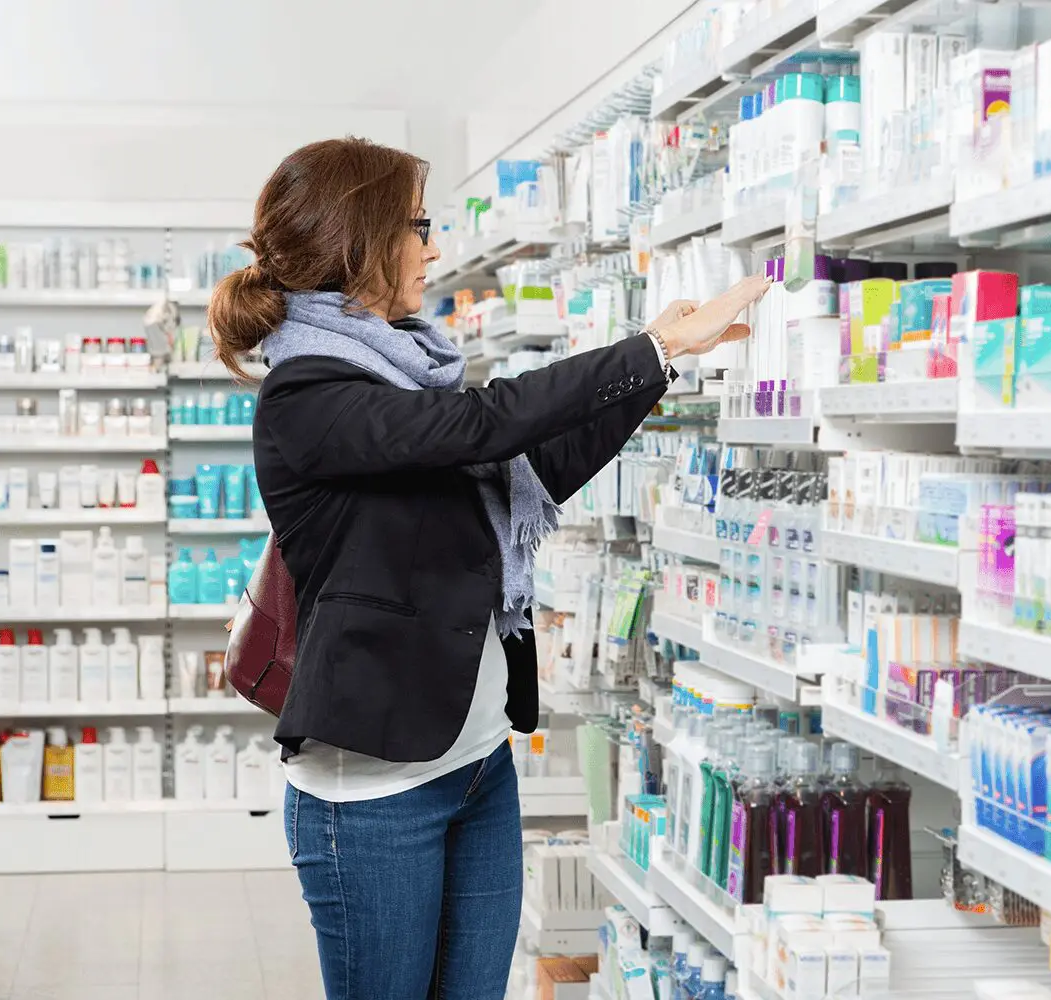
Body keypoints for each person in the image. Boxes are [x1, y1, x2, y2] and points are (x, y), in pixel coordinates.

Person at [207, 136, 769, 1000]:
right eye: (416, 227)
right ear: (360, 239)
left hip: (475, 762)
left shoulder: (407, 380)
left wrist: (663, 368)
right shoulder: (308, 396)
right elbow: (481, 426)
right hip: (374, 788)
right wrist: (642, 347)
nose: (433, 249)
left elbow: (534, 468)